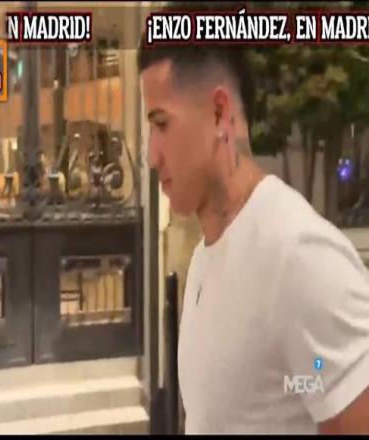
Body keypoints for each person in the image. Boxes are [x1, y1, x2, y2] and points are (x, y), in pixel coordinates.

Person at [137, 6, 369, 435]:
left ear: (219, 113)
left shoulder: (298, 256)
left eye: (162, 124)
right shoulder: (205, 257)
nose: (152, 156)